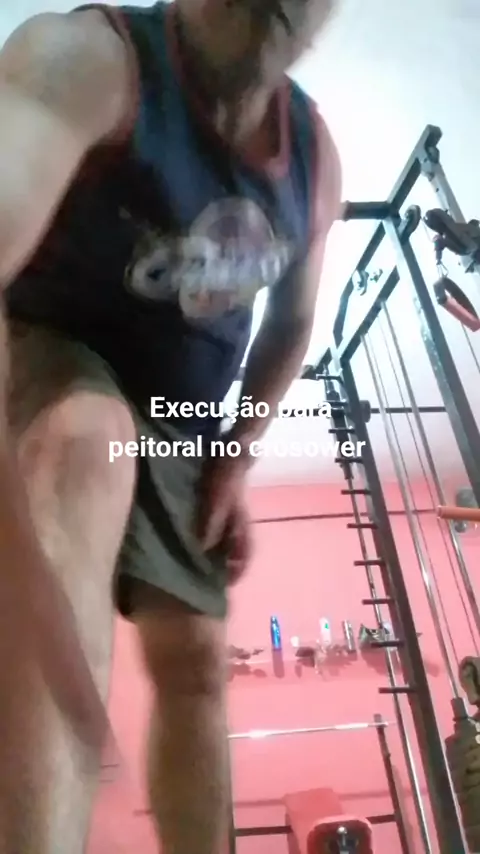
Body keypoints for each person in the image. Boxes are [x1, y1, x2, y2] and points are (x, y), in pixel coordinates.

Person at [0, 0, 342, 851]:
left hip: (182, 412)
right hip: (50, 343)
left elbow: (293, 323)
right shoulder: (90, 61)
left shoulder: (313, 159)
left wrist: (237, 455)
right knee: (86, 445)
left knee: (194, 658)